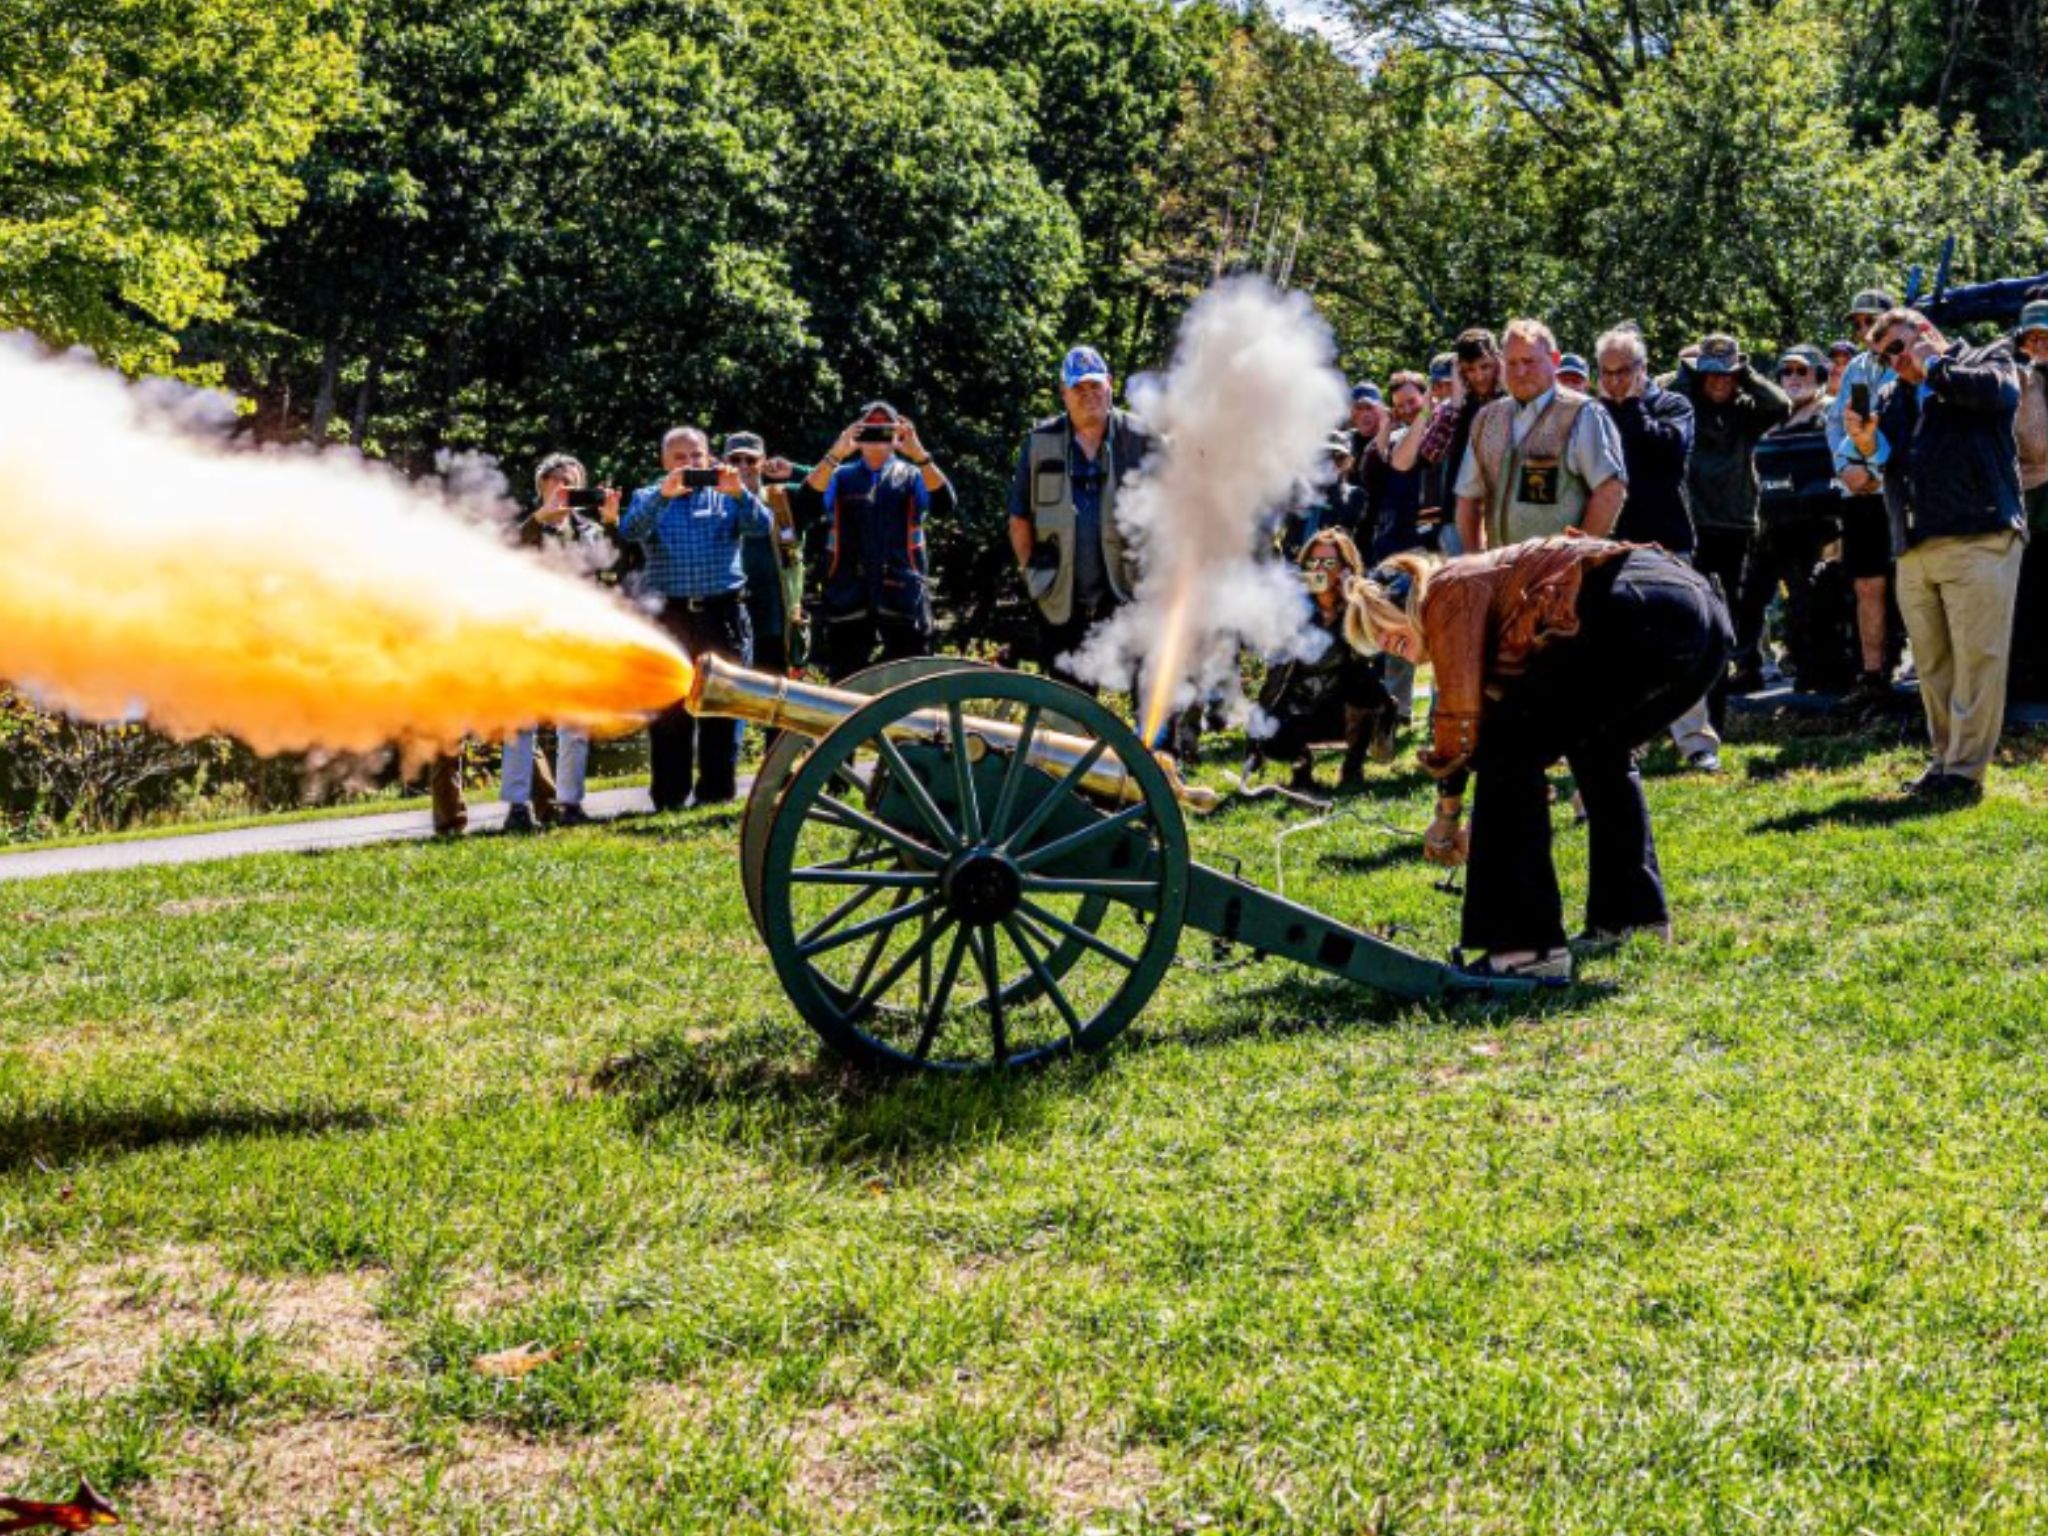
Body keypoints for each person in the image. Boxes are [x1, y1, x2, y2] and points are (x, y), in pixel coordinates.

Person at [1343, 536, 1731, 982]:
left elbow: (1462, 722)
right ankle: (1632, 918)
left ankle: (1525, 948)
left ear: (1406, 600)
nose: (1385, 641)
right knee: (1595, 748)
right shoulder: (1474, 597)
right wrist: (1481, 810)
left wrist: (1450, 816)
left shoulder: (1446, 590)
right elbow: (1498, 718)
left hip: (1637, 609)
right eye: (1373, 638)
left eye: (1384, 624)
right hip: (1700, 618)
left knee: (1507, 752)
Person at [1845, 306, 2027, 801]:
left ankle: (1964, 774)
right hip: (1914, 544)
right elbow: (1895, 462)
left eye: (1899, 349)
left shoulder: (1988, 358)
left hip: (1979, 534)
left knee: (1977, 662)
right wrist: (1868, 445)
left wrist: (1936, 366)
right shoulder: (1893, 394)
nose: (1895, 363)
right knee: (1932, 666)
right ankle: (1945, 762)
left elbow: (1997, 395)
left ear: (1926, 333)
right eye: (1884, 358)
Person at [611, 426, 771, 810]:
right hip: (670, 617)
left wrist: (740, 494)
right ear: (664, 462)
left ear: (708, 456)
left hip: (723, 613)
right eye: (679, 458)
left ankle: (715, 794)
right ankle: (668, 797)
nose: (689, 464)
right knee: (670, 710)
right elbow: (629, 530)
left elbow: (764, 527)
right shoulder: (649, 495)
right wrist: (663, 498)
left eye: (695, 456)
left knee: (724, 707)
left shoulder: (728, 494)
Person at [1594, 326, 1718, 768]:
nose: (1614, 382)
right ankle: (1627, 742)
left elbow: (1665, 453)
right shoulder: (1591, 413)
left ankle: (1697, 743)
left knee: (1682, 642)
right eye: (1606, 373)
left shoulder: (1672, 405)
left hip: (1666, 538)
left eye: (1623, 371)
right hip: (1610, 543)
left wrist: (1630, 408)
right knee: (1616, 651)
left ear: (1643, 369)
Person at [1009, 347, 1156, 691]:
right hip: (1061, 599)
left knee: (1146, 694)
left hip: (1128, 593)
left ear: (1110, 385)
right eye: (1079, 389)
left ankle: (1148, 747)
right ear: (1064, 393)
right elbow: (1019, 519)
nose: (1089, 396)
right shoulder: (1039, 441)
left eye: (1095, 387)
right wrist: (1034, 575)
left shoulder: (1142, 439)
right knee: (1068, 703)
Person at [1670, 334, 1791, 703]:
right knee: (1696, 603)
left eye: (1727, 375)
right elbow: (1654, 395)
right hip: (1695, 519)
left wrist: (1745, 372)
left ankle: (1743, 666)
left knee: (1737, 602)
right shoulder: (1684, 406)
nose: (1719, 381)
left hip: (1736, 520)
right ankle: (1702, 677)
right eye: (1711, 375)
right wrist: (1688, 374)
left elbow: (1781, 404)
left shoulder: (1748, 409)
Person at [502, 453, 619, 831]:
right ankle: (517, 810)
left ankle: (571, 804)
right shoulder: (527, 527)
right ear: (542, 487)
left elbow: (618, 566)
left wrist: (612, 521)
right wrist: (539, 519)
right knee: (520, 727)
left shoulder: (589, 530)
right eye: (554, 480)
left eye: (570, 480)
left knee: (575, 727)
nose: (562, 487)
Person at [799, 402, 954, 681]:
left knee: (908, 682)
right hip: (848, 596)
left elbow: (945, 504)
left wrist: (919, 454)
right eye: (870, 430)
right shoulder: (839, 475)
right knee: (847, 684)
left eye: (885, 431)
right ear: (856, 434)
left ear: (898, 436)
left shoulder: (914, 475)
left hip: (902, 595)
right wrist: (837, 452)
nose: (877, 438)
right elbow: (807, 503)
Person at [1453, 318, 1628, 551]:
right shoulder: (1487, 418)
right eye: (1512, 363)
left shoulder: (1582, 413)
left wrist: (1577, 560)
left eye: (1529, 361)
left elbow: (1610, 491)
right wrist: (1475, 561)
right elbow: (1467, 498)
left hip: (1560, 577)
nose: (1520, 371)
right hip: (1500, 573)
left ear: (1554, 360)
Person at [1245, 530, 1391, 792]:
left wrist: (1351, 600)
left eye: (1329, 563)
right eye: (1313, 563)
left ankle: (1353, 767)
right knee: (1276, 734)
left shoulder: (1357, 605)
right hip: (1296, 709)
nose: (1320, 570)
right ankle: (1301, 770)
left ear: (1346, 568)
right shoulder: (1293, 605)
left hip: (1338, 708)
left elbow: (1372, 653)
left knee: (1368, 689)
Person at [1746, 347, 1844, 692]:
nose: (1793, 378)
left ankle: (1819, 671)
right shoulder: (1771, 418)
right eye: (1786, 372)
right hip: (1770, 524)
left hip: (1819, 524)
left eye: (1802, 371)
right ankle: (1749, 667)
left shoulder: (1833, 412)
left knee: (1813, 599)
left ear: (1819, 375)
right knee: (1751, 596)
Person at [1826, 290, 1904, 713]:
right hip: (1857, 493)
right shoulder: (1856, 367)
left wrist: (1875, 472)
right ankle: (1872, 676)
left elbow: (1907, 425)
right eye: (1857, 323)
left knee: (1912, 584)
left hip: (1896, 488)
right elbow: (1837, 425)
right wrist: (1846, 470)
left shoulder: (1908, 364)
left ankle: (1925, 673)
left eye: (1870, 321)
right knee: (1866, 583)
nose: (1863, 330)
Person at [1397, 329, 1507, 556]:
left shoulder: (1513, 400)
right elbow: (1430, 454)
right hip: (1458, 517)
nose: (1478, 376)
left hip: (1503, 513)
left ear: (1497, 360)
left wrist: (1506, 382)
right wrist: (1456, 400)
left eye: (1484, 367)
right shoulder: (1456, 406)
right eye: (1468, 370)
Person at [724, 432, 806, 676]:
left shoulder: (783, 498)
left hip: (775, 621)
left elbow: (838, 482)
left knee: (774, 701)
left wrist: (794, 470)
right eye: (735, 460)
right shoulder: (710, 502)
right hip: (728, 620)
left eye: (750, 460)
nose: (743, 467)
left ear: (764, 462)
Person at [2007, 299, 2048, 702]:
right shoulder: (2020, 381)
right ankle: (2029, 678)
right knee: (2031, 591)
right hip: (2033, 497)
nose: (2040, 343)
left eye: (2046, 335)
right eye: (2032, 337)